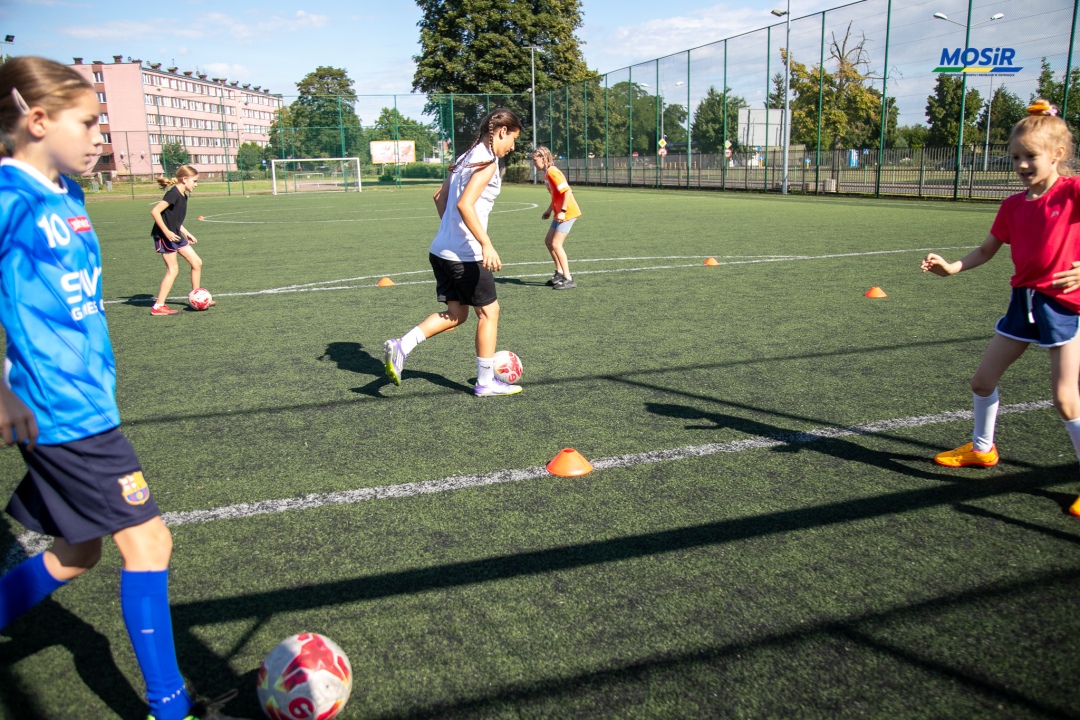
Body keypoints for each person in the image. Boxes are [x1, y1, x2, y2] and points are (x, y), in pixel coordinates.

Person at [0, 57, 238, 719]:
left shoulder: (68, 192)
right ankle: (170, 708)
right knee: (149, 542)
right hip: (57, 409)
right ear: (37, 120)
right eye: (87, 122)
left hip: (86, 398)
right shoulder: (8, 197)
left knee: (77, 553)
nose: (98, 136)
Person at [921, 99, 1080, 518]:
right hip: (1022, 305)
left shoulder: (1074, 192)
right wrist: (953, 268)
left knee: (1066, 401)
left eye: (1031, 156)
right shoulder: (1012, 205)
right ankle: (981, 449)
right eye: (1016, 157)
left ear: (1058, 155)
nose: (1022, 165)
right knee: (981, 381)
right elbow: (987, 249)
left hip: (1063, 308)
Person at [383, 108, 523, 396]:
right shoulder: (487, 162)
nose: (513, 147)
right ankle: (485, 382)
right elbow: (464, 205)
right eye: (513, 139)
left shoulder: (464, 158)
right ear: (501, 132)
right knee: (489, 313)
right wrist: (486, 244)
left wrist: (450, 233)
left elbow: (439, 198)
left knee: (457, 314)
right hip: (466, 254)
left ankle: (402, 346)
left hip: (440, 250)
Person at [150, 165, 211, 315]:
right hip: (165, 236)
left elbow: (174, 219)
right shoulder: (173, 194)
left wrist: (186, 232)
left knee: (197, 263)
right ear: (184, 179)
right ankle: (158, 306)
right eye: (195, 181)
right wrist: (167, 231)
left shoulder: (183, 195)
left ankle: (196, 296)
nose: (196, 185)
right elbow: (155, 211)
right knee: (173, 270)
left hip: (175, 235)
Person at [533, 146, 582, 289]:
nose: (534, 163)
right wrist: (549, 210)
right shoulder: (547, 173)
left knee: (556, 244)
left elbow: (567, 191)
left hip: (567, 212)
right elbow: (556, 195)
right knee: (548, 241)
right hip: (559, 212)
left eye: (535, 160)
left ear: (543, 158)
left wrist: (562, 210)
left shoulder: (553, 172)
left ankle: (568, 278)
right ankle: (559, 273)